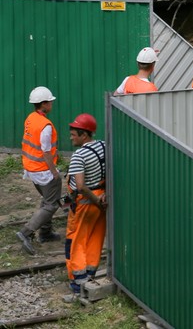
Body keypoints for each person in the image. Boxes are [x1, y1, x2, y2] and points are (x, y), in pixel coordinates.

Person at [65, 113, 106, 300]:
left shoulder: (79, 155)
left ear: (84, 135)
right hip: (102, 199)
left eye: (74, 134)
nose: (71, 137)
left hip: (84, 203)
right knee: (95, 237)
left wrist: (94, 200)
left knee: (76, 240)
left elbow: (80, 186)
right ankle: (90, 274)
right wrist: (102, 198)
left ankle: (78, 281)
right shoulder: (104, 146)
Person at [17, 86, 62, 255]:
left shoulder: (31, 118)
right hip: (43, 170)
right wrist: (54, 173)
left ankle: (46, 232)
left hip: (31, 168)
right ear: (44, 104)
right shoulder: (46, 125)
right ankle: (25, 233)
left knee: (46, 199)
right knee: (51, 204)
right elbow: (45, 151)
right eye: (50, 102)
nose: (51, 104)